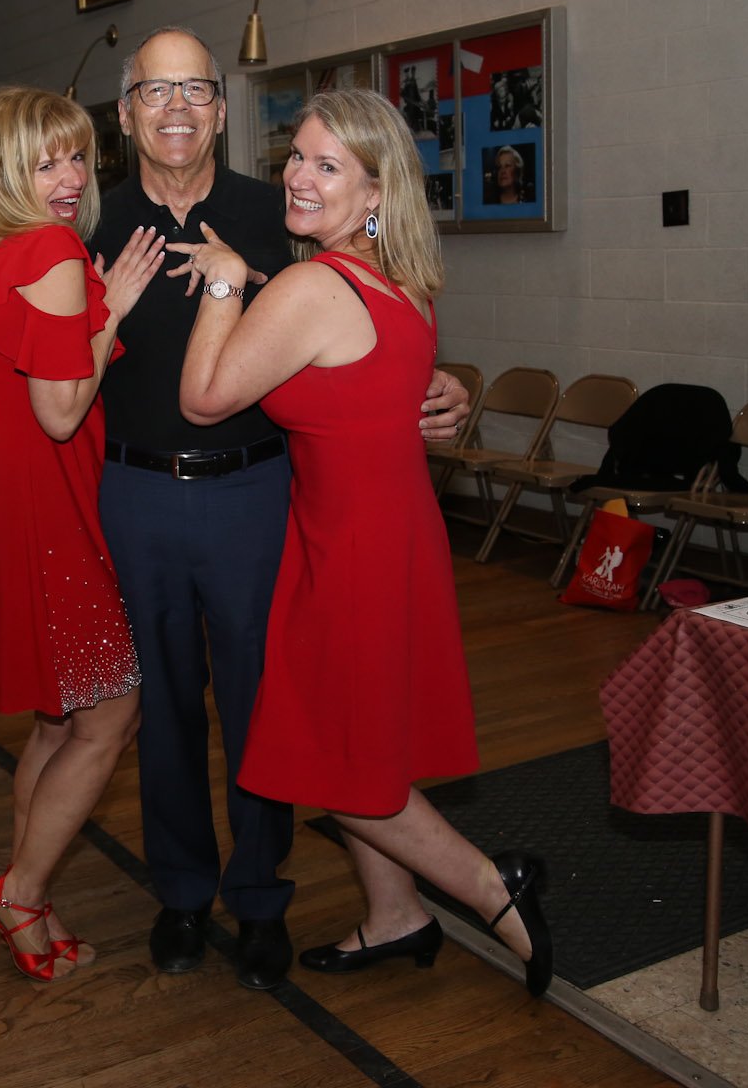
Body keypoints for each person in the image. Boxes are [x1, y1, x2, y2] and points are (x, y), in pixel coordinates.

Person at [0, 26, 471, 991]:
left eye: (195, 91)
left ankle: (260, 897)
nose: (176, 108)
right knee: (162, 710)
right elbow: (8, 332)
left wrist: (439, 386)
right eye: (155, 91)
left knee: (267, 705)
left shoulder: (285, 210)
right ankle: (181, 894)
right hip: (129, 496)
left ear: (221, 110)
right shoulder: (81, 220)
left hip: (261, 493)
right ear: (125, 112)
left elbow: (383, 303)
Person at [171, 89, 553, 997]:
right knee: (359, 741)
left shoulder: (313, 286)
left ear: (376, 193)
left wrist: (222, 280)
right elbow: (379, 383)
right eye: (297, 158)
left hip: (349, 551)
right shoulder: (403, 283)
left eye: (328, 165)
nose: (299, 178)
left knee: (330, 760)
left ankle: (491, 887)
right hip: (390, 535)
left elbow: (204, 397)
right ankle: (395, 915)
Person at [0, 85, 164, 981]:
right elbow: (61, 412)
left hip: (11, 515)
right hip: (55, 521)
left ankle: (20, 891)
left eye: (75, 156)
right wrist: (116, 307)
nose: (70, 178)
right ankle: (22, 895)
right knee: (110, 719)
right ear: (1, 172)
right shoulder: (54, 251)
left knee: (59, 724)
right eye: (44, 162)